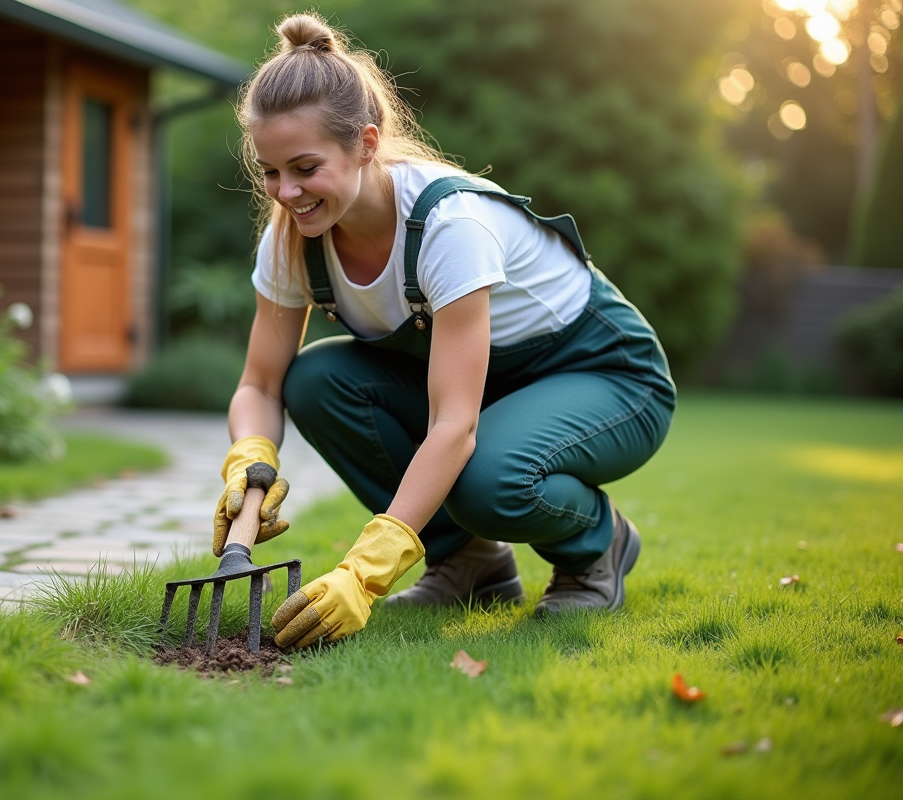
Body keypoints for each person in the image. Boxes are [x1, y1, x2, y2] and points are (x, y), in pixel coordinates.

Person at [212, 12, 676, 651]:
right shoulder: (291, 240)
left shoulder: (447, 225)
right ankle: (470, 566)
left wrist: (365, 573)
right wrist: (250, 459)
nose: (286, 192)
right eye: (270, 171)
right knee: (317, 380)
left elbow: (453, 425)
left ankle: (596, 545)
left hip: (605, 373)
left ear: (367, 144)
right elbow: (260, 383)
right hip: (492, 386)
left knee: (489, 478)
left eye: (305, 167)